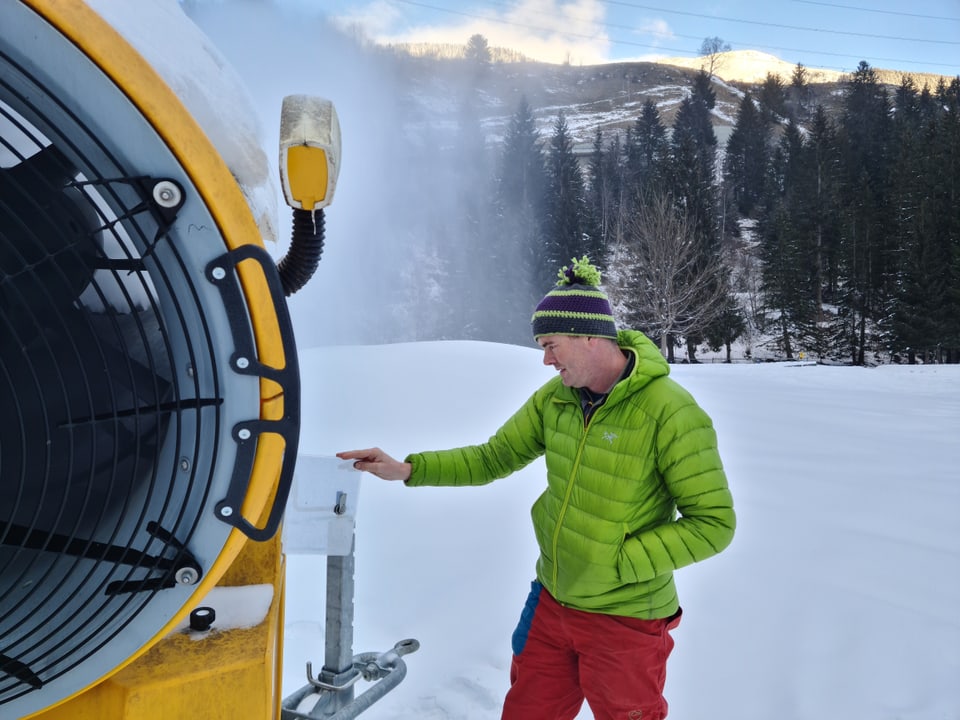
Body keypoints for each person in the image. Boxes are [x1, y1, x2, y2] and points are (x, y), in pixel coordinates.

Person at [338, 256, 735, 720]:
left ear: (589, 336)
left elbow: (714, 525)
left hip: (626, 618)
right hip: (551, 600)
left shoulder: (669, 412)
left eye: (551, 345)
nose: (545, 360)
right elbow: (494, 457)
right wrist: (408, 469)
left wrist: (617, 561)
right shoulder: (557, 400)